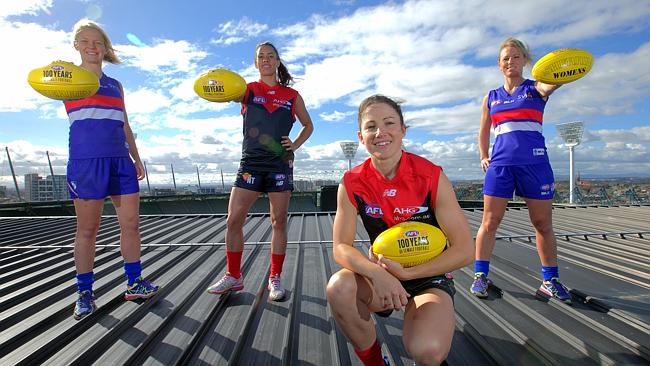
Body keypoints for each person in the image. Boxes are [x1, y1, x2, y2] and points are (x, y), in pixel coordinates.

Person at [326, 95, 474, 366]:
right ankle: (375, 361)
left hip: (427, 274)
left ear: (403, 130)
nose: (380, 132)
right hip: (379, 276)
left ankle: (421, 321)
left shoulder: (431, 176)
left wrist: (407, 273)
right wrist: (377, 274)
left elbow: (465, 250)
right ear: (361, 136)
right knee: (339, 288)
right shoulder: (351, 182)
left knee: (427, 350)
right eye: (371, 126)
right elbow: (340, 247)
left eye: (389, 123)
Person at [65, 19, 158, 320]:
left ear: (105, 48)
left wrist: (136, 157)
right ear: (76, 45)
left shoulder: (115, 85)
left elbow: (125, 124)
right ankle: (84, 293)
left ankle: (134, 283)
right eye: (86, 41)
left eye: (98, 42)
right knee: (88, 230)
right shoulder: (67, 79)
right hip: (86, 163)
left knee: (131, 225)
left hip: (120, 161)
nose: (92, 46)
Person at [207, 41, 314, 301]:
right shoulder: (247, 91)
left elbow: (308, 125)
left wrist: (295, 144)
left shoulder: (292, 96)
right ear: (256, 63)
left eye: (270, 56)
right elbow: (220, 89)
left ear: (278, 61)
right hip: (251, 164)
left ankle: (274, 278)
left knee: (278, 222)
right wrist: (215, 78)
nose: (265, 59)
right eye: (260, 57)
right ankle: (234, 276)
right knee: (233, 220)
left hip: (280, 164)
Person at [470, 37, 572, 304]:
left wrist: (565, 69)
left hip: (535, 165)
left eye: (516, 56)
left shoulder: (536, 89)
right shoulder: (491, 97)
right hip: (501, 166)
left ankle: (550, 280)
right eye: (506, 58)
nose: (510, 62)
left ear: (525, 60)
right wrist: (483, 155)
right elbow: (483, 130)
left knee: (542, 224)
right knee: (489, 223)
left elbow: (554, 82)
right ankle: (480, 275)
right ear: (498, 64)